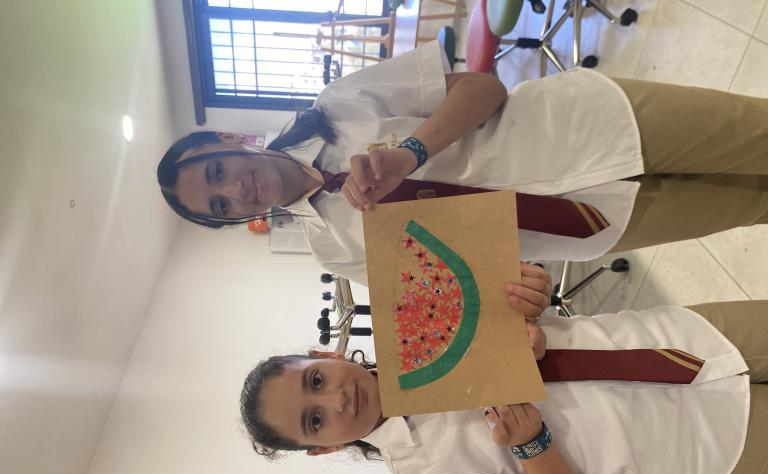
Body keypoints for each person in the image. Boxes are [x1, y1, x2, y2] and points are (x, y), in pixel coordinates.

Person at [157, 41, 768, 287]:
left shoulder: (339, 103)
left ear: (229, 142)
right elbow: (453, 285)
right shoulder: (334, 251)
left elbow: (483, 87)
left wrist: (411, 152)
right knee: (751, 207)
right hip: (590, 222)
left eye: (216, 173)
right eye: (221, 205)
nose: (236, 190)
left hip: (590, 124)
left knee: (754, 135)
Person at [239, 297, 768, 474]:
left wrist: (530, 299)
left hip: (681, 339)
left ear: (325, 355)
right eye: (315, 420)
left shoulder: (418, 320)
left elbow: (521, 299)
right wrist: (532, 445)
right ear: (326, 447)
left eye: (315, 380)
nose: (336, 399)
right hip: (700, 443)